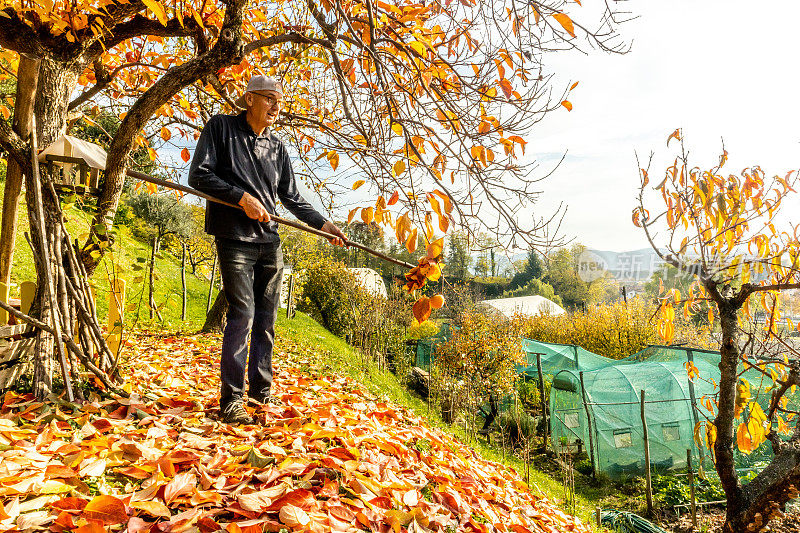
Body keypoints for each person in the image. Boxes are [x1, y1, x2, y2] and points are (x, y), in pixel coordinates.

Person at [189, 75, 347, 424]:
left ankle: (260, 397)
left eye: (280, 101)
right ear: (249, 99)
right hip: (234, 239)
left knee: (266, 320)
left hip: (269, 242)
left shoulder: (276, 147)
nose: (277, 107)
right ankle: (230, 401)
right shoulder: (220, 128)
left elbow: (291, 196)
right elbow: (198, 176)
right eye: (270, 99)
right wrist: (241, 198)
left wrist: (324, 225)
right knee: (242, 314)